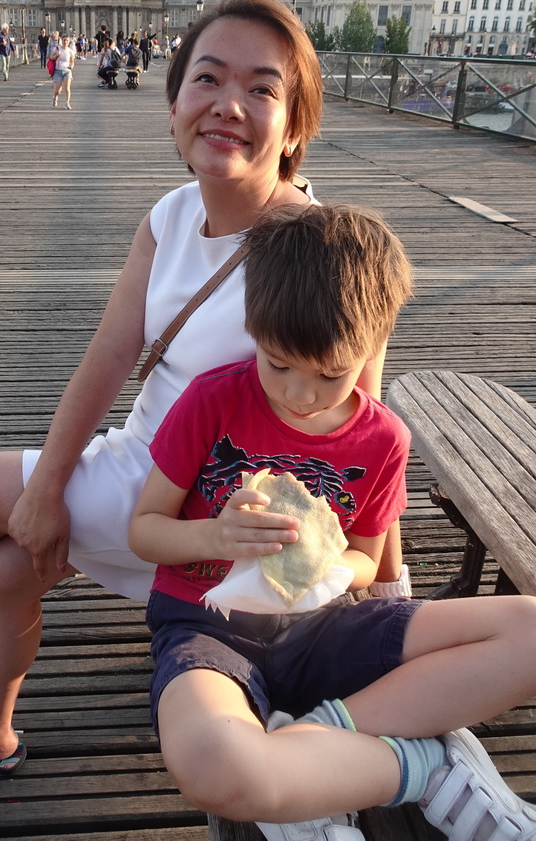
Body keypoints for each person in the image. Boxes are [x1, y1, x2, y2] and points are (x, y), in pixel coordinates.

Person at [0, 0, 407, 782]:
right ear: (173, 105)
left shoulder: (322, 252)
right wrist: (53, 483)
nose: (228, 104)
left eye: (263, 88)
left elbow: (358, 429)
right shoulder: (168, 216)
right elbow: (105, 362)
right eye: (207, 79)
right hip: (145, 466)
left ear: (296, 126)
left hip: (220, 512)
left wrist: (388, 585)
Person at [128, 202, 536, 841]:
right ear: (254, 329)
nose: (297, 393)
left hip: (325, 626)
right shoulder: (213, 400)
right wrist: (214, 535)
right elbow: (144, 529)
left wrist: (327, 565)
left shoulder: (381, 439)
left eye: (330, 375)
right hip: (207, 630)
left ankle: (321, 739)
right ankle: (421, 766)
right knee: (214, 764)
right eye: (278, 363)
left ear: (373, 346)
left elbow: (366, 559)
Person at [52, 34, 75, 109]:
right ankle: (55, 96)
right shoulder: (57, 49)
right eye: (64, 40)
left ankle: (67, 103)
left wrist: (71, 66)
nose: (65, 42)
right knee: (58, 90)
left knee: (67, 87)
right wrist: (56, 56)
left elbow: (72, 61)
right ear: (61, 40)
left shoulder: (70, 51)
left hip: (67, 71)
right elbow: (51, 57)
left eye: (67, 40)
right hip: (58, 71)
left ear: (69, 42)